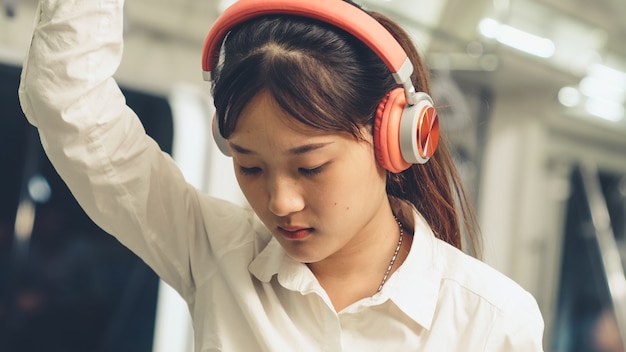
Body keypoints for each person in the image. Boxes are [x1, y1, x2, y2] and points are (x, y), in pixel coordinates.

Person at [18, 0, 545, 350]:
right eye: (249, 166)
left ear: (397, 139)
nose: (280, 202)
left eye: (310, 166)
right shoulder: (213, 250)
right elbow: (71, 105)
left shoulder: (492, 320)